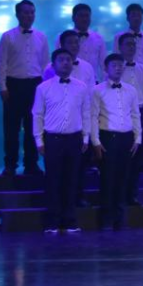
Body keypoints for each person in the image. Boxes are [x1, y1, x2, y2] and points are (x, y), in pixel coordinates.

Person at [32, 49, 91, 234]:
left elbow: (86, 113)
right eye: (61, 59)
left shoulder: (81, 87)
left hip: (75, 138)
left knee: (72, 180)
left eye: (68, 59)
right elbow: (37, 114)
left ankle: (70, 221)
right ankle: (52, 222)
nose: (65, 62)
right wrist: (39, 140)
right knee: (53, 180)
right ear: (53, 64)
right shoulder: (43, 88)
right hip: (53, 139)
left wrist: (86, 137)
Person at [41, 30, 96, 207]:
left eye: (76, 42)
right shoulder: (50, 68)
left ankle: (78, 197)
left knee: (79, 166)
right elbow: (47, 99)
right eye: (70, 42)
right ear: (62, 45)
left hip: (79, 124)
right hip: (57, 126)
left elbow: (91, 95)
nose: (74, 45)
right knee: (56, 171)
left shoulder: (87, 67)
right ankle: (55, 206)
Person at [0, 0, 50, 176]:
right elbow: (2, 63)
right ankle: (10, 164)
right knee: (11, 127)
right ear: (17, 14)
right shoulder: (7, 36)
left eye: (32, 12)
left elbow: (45, 64)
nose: (29, 15)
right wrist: (3, 87)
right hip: (13, 84)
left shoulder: (41, 37)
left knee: (33, 126)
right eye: (26, 12)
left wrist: (45, 88)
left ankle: (31, 164)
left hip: (35, 85)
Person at [90, 54, 140, 230]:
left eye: (120, 65)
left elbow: (135, 115)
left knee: (123, 178)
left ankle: (120, 219)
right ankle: (106, 219)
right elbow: (93, 116)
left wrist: (138, 138)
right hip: (107, 137)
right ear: (106, 68)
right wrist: (95, 141)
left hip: (127, 138)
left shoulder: (131, 90)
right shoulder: (97, 90)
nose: (118, 68)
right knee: (107, 179)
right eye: (114, 65)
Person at [117, 33, 143, 206]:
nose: (131, 47)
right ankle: (119, 196)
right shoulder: (115, 68)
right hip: (122, 114)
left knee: (137, 158)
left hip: (141, 112)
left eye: (133, 44)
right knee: (122, 158)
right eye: (127, 44)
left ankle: (132, 195)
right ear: (120, 47)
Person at [114, 3, 143, 87]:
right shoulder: (119, 37)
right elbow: (116, 57)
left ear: (142, 18)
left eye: (139, 15)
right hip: (124, 75)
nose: (136, 18)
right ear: (127, 18)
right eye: (133, 15)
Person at [72, 3, 105, 82]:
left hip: (93, 82)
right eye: (81, 16)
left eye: (87, 16)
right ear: (73, 18)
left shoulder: (98, 38)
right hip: (72, 82)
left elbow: (103, 64)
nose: (84, 19)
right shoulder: (63, 37)